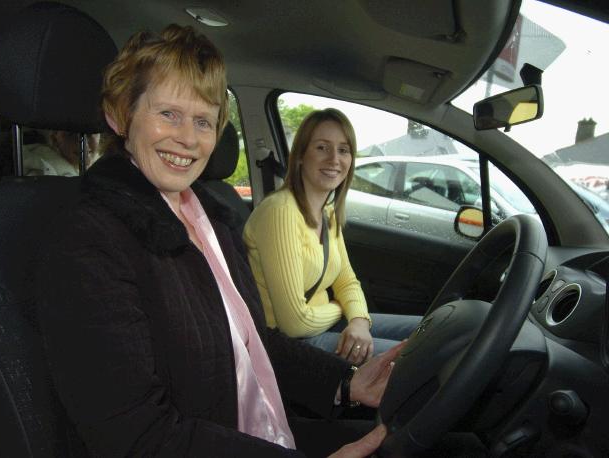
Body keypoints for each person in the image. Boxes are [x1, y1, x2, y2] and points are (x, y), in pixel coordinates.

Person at [36, 24, 405, 457]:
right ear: (121, 116)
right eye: (168, 114)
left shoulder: (208, 219)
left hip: (256, 429)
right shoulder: (89, 241)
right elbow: (134, 434)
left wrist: (345, 382)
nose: (189, 139)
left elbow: (253, 346)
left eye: (203, 121)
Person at [243, 108, 422, 365]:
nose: (334, 159)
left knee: (432, 331)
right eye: (322, 148)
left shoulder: (328, 213)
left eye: (343, 150)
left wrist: (359, 321)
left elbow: (347, 280)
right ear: (301, 156)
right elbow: (294, 323)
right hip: (287, 343)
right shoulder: (280, 212)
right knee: (413, 360)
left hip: (320, 323)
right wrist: (343, 309)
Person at [23, 129, 100, 176]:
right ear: (55, 139)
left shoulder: (103, 166)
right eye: (71, 134)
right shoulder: (43, 168)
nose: (84, 144)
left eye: (90, 133)